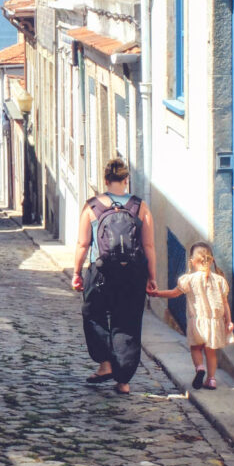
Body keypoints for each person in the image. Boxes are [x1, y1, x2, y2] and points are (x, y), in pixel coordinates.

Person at [72, 157, 157, 394]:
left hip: (100, 271)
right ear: (126, 180)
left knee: (94, 315)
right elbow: (149, 245)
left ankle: (105, 364)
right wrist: (152, 276)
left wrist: (77, 273)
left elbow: (82, 243)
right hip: (132, 273)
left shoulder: (92, 207)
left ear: (106, 180)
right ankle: (123, 381)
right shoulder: (140, 206)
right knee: (127, 322)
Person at [149, 241, 234, 390]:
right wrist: (229, 321)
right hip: (214, 323)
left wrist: (157, 293)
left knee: (196, 348)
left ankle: (200, 368)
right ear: (211, 259)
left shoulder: (189, 279)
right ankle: (211, 379)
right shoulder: (220, 280)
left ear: (192, 262)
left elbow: (174, 293)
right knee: (211, 351)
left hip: (196, 323)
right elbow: (225, 303)